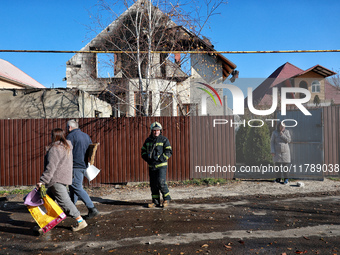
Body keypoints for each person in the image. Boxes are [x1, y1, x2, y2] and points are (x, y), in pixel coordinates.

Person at [36, 128, 87, 232]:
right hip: (62, 178)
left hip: (56, 180)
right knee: (48, 202)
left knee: (65, 202)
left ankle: (81, 221)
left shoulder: (55, 149)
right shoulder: (66, 147)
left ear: (53, 136)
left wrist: (42, 181)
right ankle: (45, 224)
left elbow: (51, 167)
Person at [66, 119, 99, 219]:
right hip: (83, 165)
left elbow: (67, 152)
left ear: (70, 127)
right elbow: (90, 151)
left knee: (77, 187)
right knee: (73, 187)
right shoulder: (86, 136)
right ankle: (70, 208)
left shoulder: (70, 136)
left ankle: (92, 208)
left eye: (67, 127)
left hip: (75, 165)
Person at [141, 122, 172, 208]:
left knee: (161, 182)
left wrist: (160, 159)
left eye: (157, 130)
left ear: (160, 131)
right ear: (152, 131)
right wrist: (147, 159)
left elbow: (169, 151)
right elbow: (143, 151)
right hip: (152, 166)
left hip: (161, 166)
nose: (156, 132)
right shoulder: (148, 140)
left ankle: (166, 199)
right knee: (153, 184)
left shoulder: (164, 140)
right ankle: (155, 202)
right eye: (154, 130)